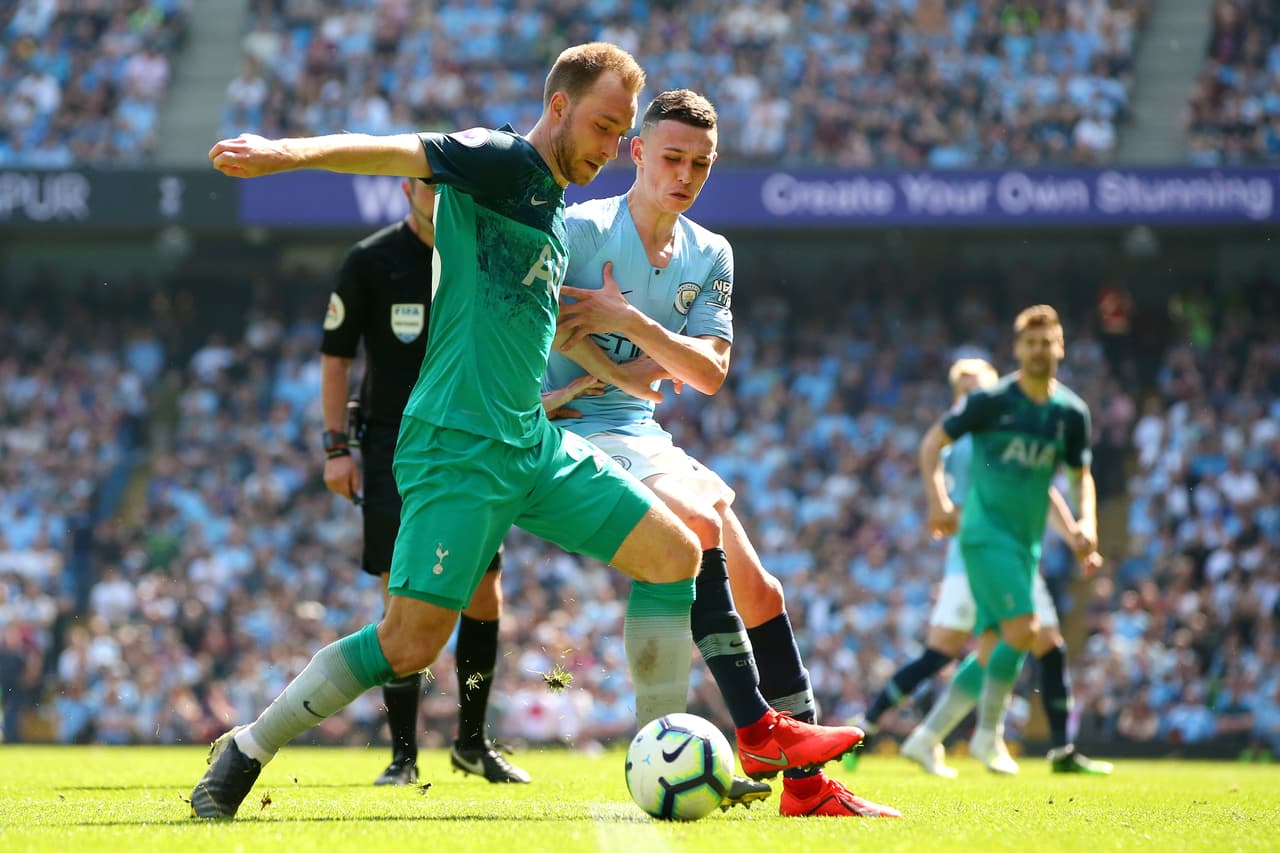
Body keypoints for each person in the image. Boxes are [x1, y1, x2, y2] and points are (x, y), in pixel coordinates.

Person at [191, 42, 853, 821]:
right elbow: (400, 149)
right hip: (458, 445)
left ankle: (665, 752)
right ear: (559, 106)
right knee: (409, 643)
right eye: (604, 127)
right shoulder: (500, 160)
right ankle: (248, 746)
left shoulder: (554, 209)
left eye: (621, 133)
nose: (612, 148)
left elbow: (540, 327)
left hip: (532, 444)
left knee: (676, 553)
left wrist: (610, 377)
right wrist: (284, 154)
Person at [545, 89, 896, 818]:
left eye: (700, 164)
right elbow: (536, 326)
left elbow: (708, 372)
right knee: (699, 523)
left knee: (763, 589)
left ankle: (808, 789)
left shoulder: (710, 252)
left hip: (639, 430)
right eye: (671, 158)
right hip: (571, 428)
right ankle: (758, 730)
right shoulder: (579, 229)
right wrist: (567, 382)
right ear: (637, 152)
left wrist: (624, 321)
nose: (685, 175)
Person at [320, 177, 538, 785]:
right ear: (404, 188)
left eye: (446, 186)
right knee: (400, 599)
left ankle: (472, 743)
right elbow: (335, 358)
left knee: (484, 593)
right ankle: (403, 756)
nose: (436, 195)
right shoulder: (371, 261)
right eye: (425, 184)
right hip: (392, 446)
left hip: (469, 444)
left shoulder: (478, 254)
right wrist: (336, 448)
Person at [854, 359, 1111, 775]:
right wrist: (941, 505)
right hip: (978, 557)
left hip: (1013, 554)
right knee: (959, 649)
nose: (977, 396)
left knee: (1028, 643)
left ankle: (944, 737)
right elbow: (941, 465)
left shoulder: (1000, 429)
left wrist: (1075, 536)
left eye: (983, 389)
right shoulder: (968, 439)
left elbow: (1039, 489)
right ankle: (907, 729)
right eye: (968, 390)